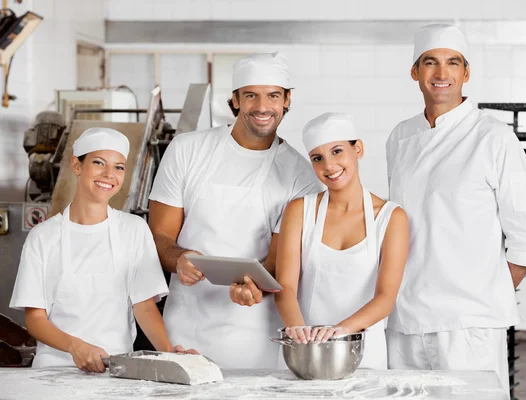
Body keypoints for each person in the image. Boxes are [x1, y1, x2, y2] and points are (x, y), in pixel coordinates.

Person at [385, 24, 526, 396]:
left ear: (466, 73)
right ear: (415, 72)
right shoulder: (400, 137)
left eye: (452, 63)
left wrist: (486, 294)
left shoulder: (493, 136)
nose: (441, 74)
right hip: (405, 316)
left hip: (468, 323)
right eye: (430, 63)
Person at [148, 52, 322, 369]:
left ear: (287, 99)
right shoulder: (187, 149)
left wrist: (258, 287)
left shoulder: (301, 174)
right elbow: (158, 234)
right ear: (235, 99)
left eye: (273, 95)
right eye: (251, 95)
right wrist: (178, 259)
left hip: (255, 334)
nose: (262, 107)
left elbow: (281, 262)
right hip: (185, 330)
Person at [9, 128, 193, 372]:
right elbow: (35, 319)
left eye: (119, 167)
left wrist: (170, 353)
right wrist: (76, 347)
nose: (109, 174)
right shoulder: (43, 237)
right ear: (76, 165)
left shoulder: (134, 230)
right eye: (99, 163)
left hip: (116, 371)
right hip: (53, 373)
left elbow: (144, 307)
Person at [275, 113, 409, 369]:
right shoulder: (298, 211)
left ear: (357, 148)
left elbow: (385, 298)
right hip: (306, 352)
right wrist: (298, 330)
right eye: (318, 158)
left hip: (364, 353)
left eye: (337, 151)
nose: (329, 165)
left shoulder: (391, 217)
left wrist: (337, 334)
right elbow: (285, 287)